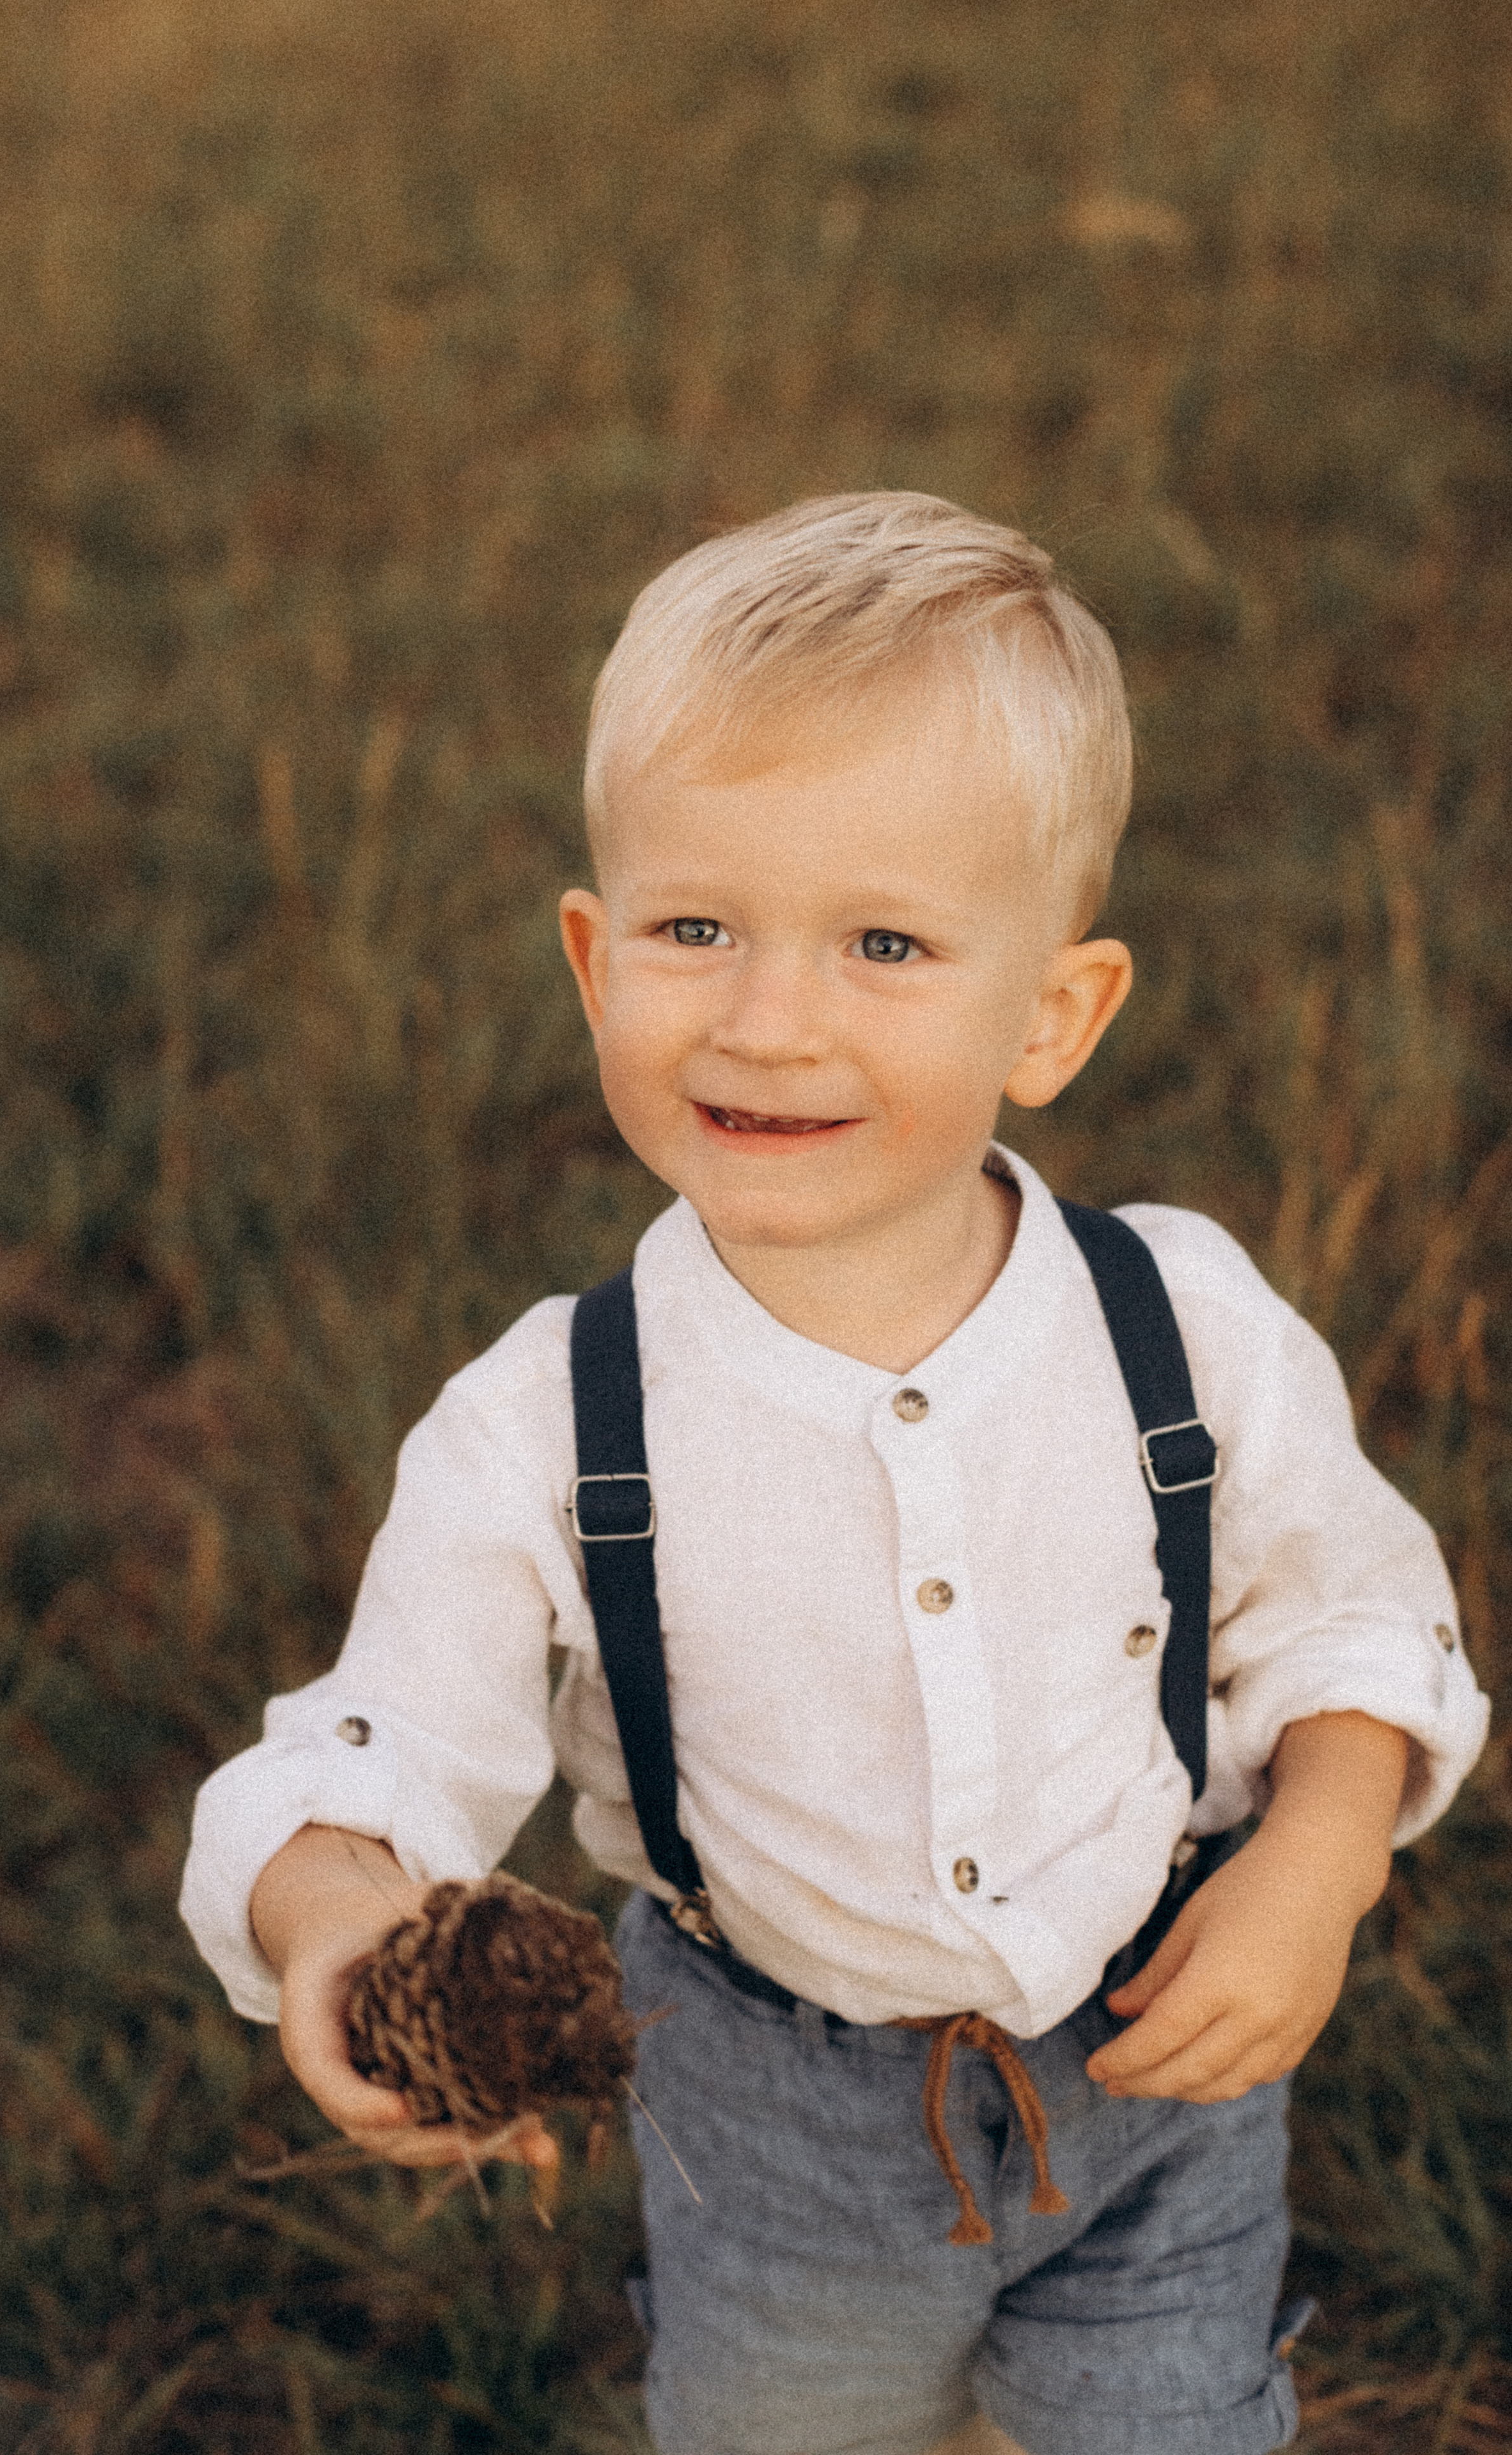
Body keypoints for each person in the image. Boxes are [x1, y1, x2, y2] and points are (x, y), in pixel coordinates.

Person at [181, 493, 1488, 2455]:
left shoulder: (1181, 1327)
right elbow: (373, 1755)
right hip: (772, 2129)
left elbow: (1360, 1620)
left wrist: (1314, 1863)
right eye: (696, 927)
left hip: (1164, 2087)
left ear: (1053, 1012)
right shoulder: (548, 1424)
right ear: (592, 957)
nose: (769, 1018)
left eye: (885, 942)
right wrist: (339, 1925)